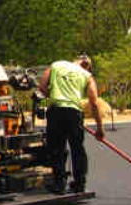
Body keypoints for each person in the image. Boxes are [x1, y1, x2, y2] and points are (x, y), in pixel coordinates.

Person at [36, 54, 104, 194]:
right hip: (74, 114)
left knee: (57, 148)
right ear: (86, 65)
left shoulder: (56, 64)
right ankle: (79, 184)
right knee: (77, 149)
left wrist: (54, 95)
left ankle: (59, 184)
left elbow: (41, 86)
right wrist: (99, 128)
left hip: (56, 111)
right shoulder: (87, 75)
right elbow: (94, 102)